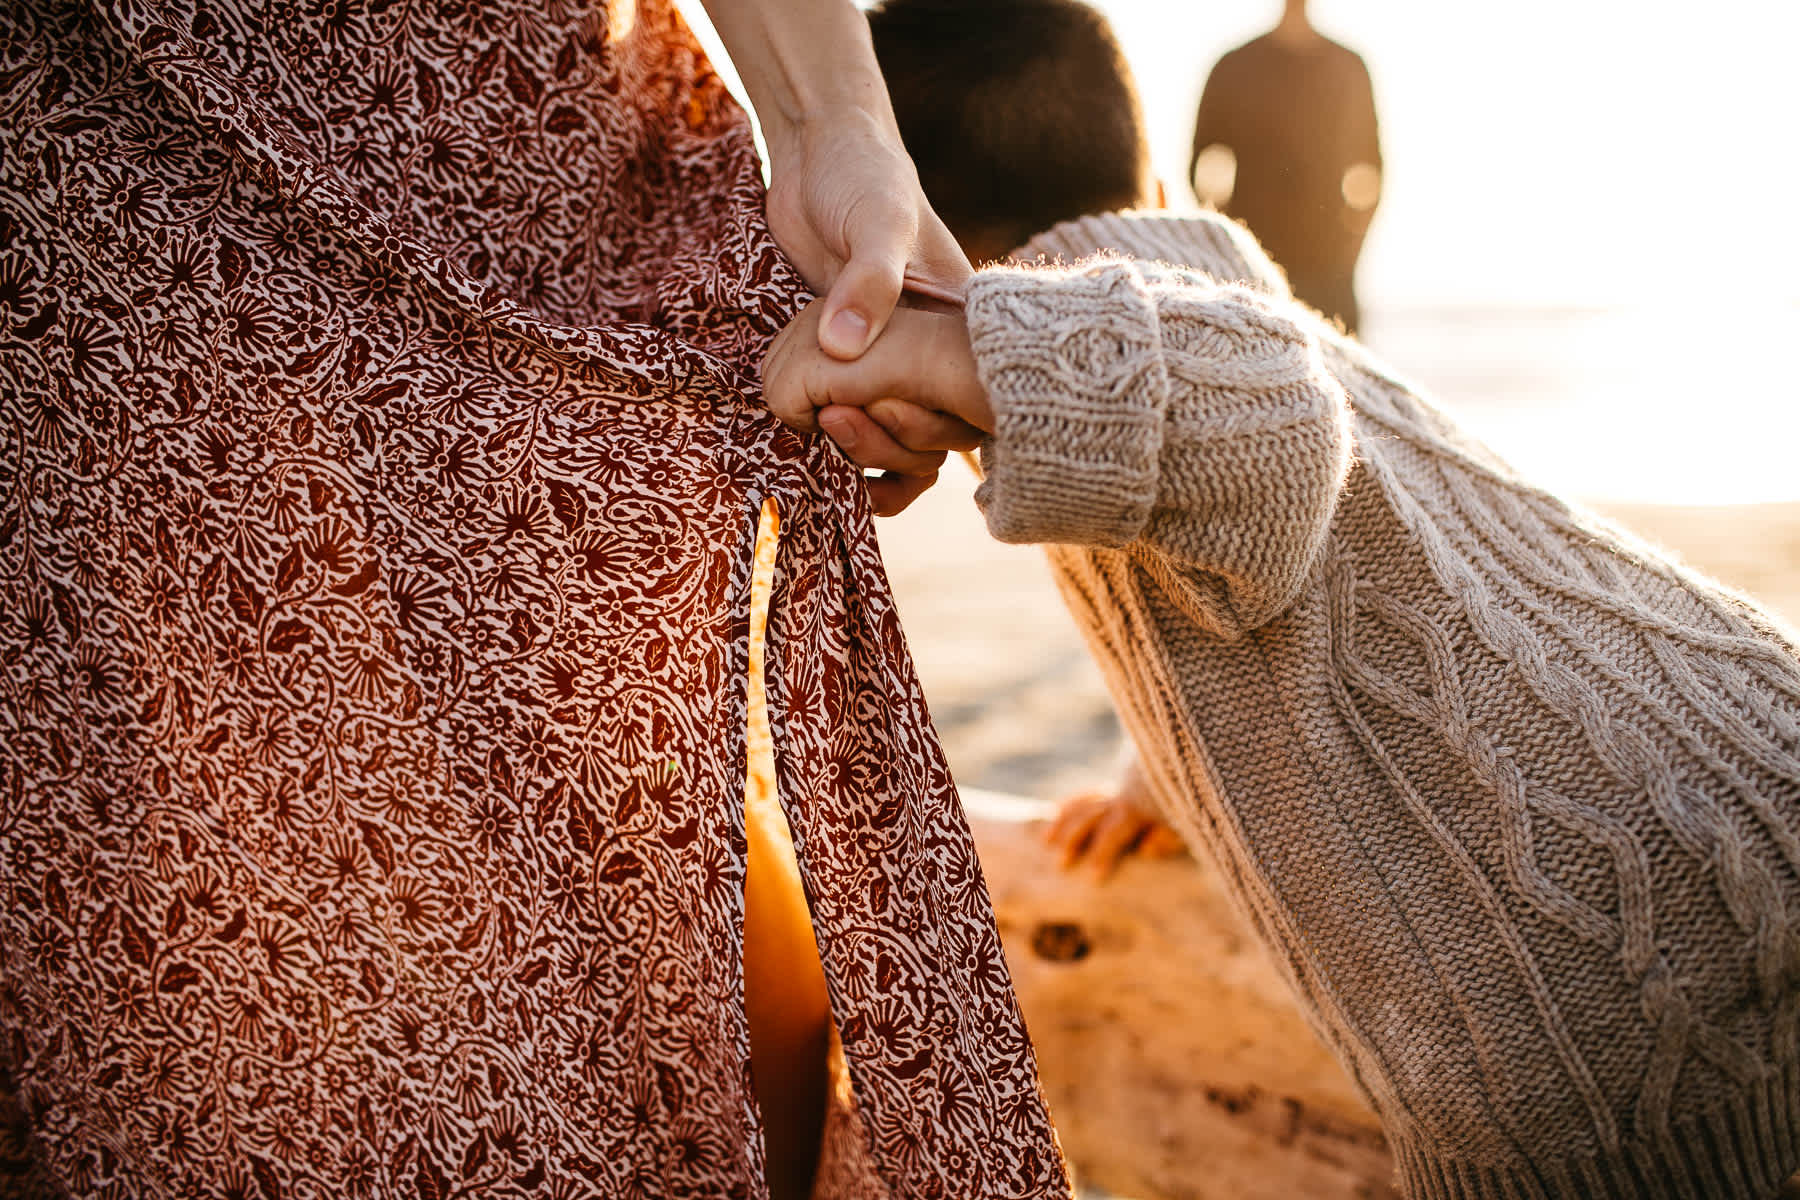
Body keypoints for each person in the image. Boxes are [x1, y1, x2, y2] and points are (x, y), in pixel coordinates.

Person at [0, 0, 1069, 1195]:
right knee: (208, 938)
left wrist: (836, 128)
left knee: (646, 861)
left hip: (539, 206)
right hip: (103, 248)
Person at [765, 1, 1800, 1195]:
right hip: (1735, 745)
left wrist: (949, 343)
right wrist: (1164, 770)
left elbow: (1266, 420)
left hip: (1618, 981)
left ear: (894, 226)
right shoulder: (1198, 303)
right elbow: (1285, 580)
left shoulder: (1123, 334)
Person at [1188, 0, 1381, 332]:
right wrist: (1230, 242)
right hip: (1254, 273)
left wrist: (1351, 250)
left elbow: (1373, 169)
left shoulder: (1347, 68)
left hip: (1327, 272)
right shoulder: (1235, 67)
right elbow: (1198, 165)